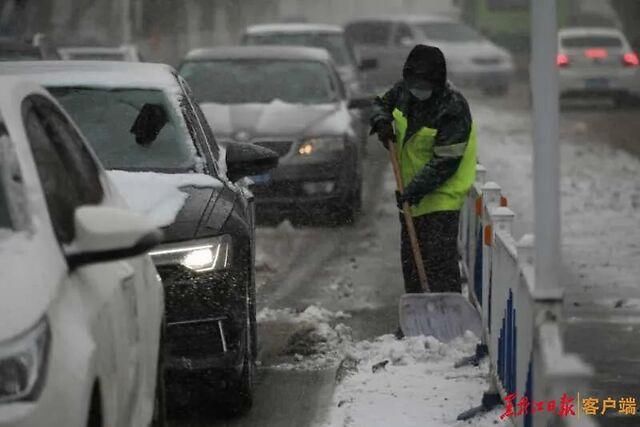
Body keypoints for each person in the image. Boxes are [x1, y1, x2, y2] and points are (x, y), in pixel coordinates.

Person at [370, 44, 477, 295]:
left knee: (439, 266)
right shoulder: (404, 92)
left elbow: (445, 162)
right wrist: (381, 121)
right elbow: (379, 104)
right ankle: (417, 320)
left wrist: (412, 191)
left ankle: (445, 318)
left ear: (437, 83)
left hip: (441, 199)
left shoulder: (453, 108)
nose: (419, 90)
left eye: (425, 86)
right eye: (414, 83)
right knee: (412, 265)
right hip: (411, 198)